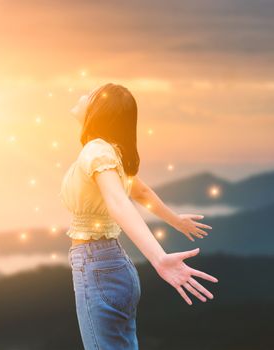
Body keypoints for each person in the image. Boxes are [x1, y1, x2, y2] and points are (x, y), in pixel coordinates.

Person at [59, 83, 219, 350]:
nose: (83, 94)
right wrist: (175, 220)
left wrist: (159, 259)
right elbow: (140, 190)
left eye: (92, 94)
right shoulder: (110, 153)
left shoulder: (96, 151)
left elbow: (119, 202)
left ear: (98, 110)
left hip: (97, 266)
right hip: (113, 267)